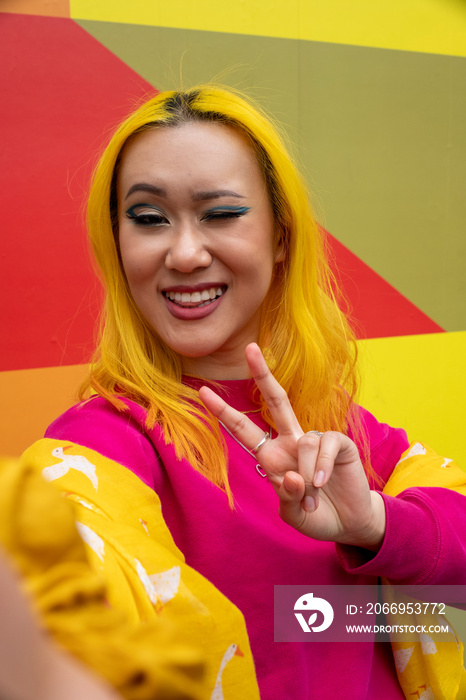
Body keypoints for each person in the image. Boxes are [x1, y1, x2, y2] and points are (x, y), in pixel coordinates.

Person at [34, 86, 466, 699]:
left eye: (221, 213)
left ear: (282, 236)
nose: (184, 254)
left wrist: (375, 524)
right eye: (149, 218)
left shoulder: (340, 433)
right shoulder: (99, 444)